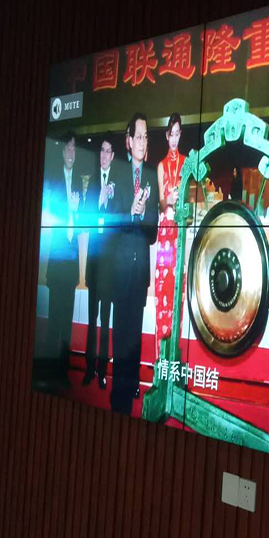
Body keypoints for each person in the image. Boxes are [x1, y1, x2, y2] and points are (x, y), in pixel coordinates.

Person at [110, 113, 159, 414]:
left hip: (140, 271)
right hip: (119, 271)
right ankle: (118, 398)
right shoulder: (117, 172)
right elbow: (110, 222)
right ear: (128, 141)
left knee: (134, 339)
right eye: (138, 136)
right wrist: (129, 212)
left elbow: (153, 234)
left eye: (146, 136)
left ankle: (129, 392)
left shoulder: (151, 175)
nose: (142, 142)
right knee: (121, 336)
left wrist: (142, 216)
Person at [39, 131, 81, 387]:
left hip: (71, 261)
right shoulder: (53, 181)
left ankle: (62, 372)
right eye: (68, 149)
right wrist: (68, 210)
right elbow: (50, 217)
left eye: (74, 149)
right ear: (62, 152)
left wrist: (76, 212)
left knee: (66, 323)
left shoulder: (80, 184)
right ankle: (48, 370)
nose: (71, 153)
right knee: (54, 319)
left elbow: (81, 224)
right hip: (57, 261)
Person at [81, 137, 124, 390]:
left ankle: (102, 371)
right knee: (91, 320)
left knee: (106, 321)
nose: (104, 155)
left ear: (113, 155)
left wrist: (109, 199)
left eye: (108, 151)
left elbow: (119, 219)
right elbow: (86, 218)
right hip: (94, 262)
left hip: (109, 264)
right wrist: (98, 199)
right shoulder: (92, 183)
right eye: (102, 151)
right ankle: (88, 369)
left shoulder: (117, 182)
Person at [154, 113, 185, 360]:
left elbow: (189, 199)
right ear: (166, 136)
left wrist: (179, 201)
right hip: (165, 233)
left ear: (180, 135)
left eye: (177, 134)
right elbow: (161, 203)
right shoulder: (161, 166)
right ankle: (160, 355)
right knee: (163, 287)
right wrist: (169, 200)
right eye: (171, 134)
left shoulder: (186, 163)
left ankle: (173, 354)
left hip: (179, 232)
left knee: (177, 291)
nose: (174, 139)